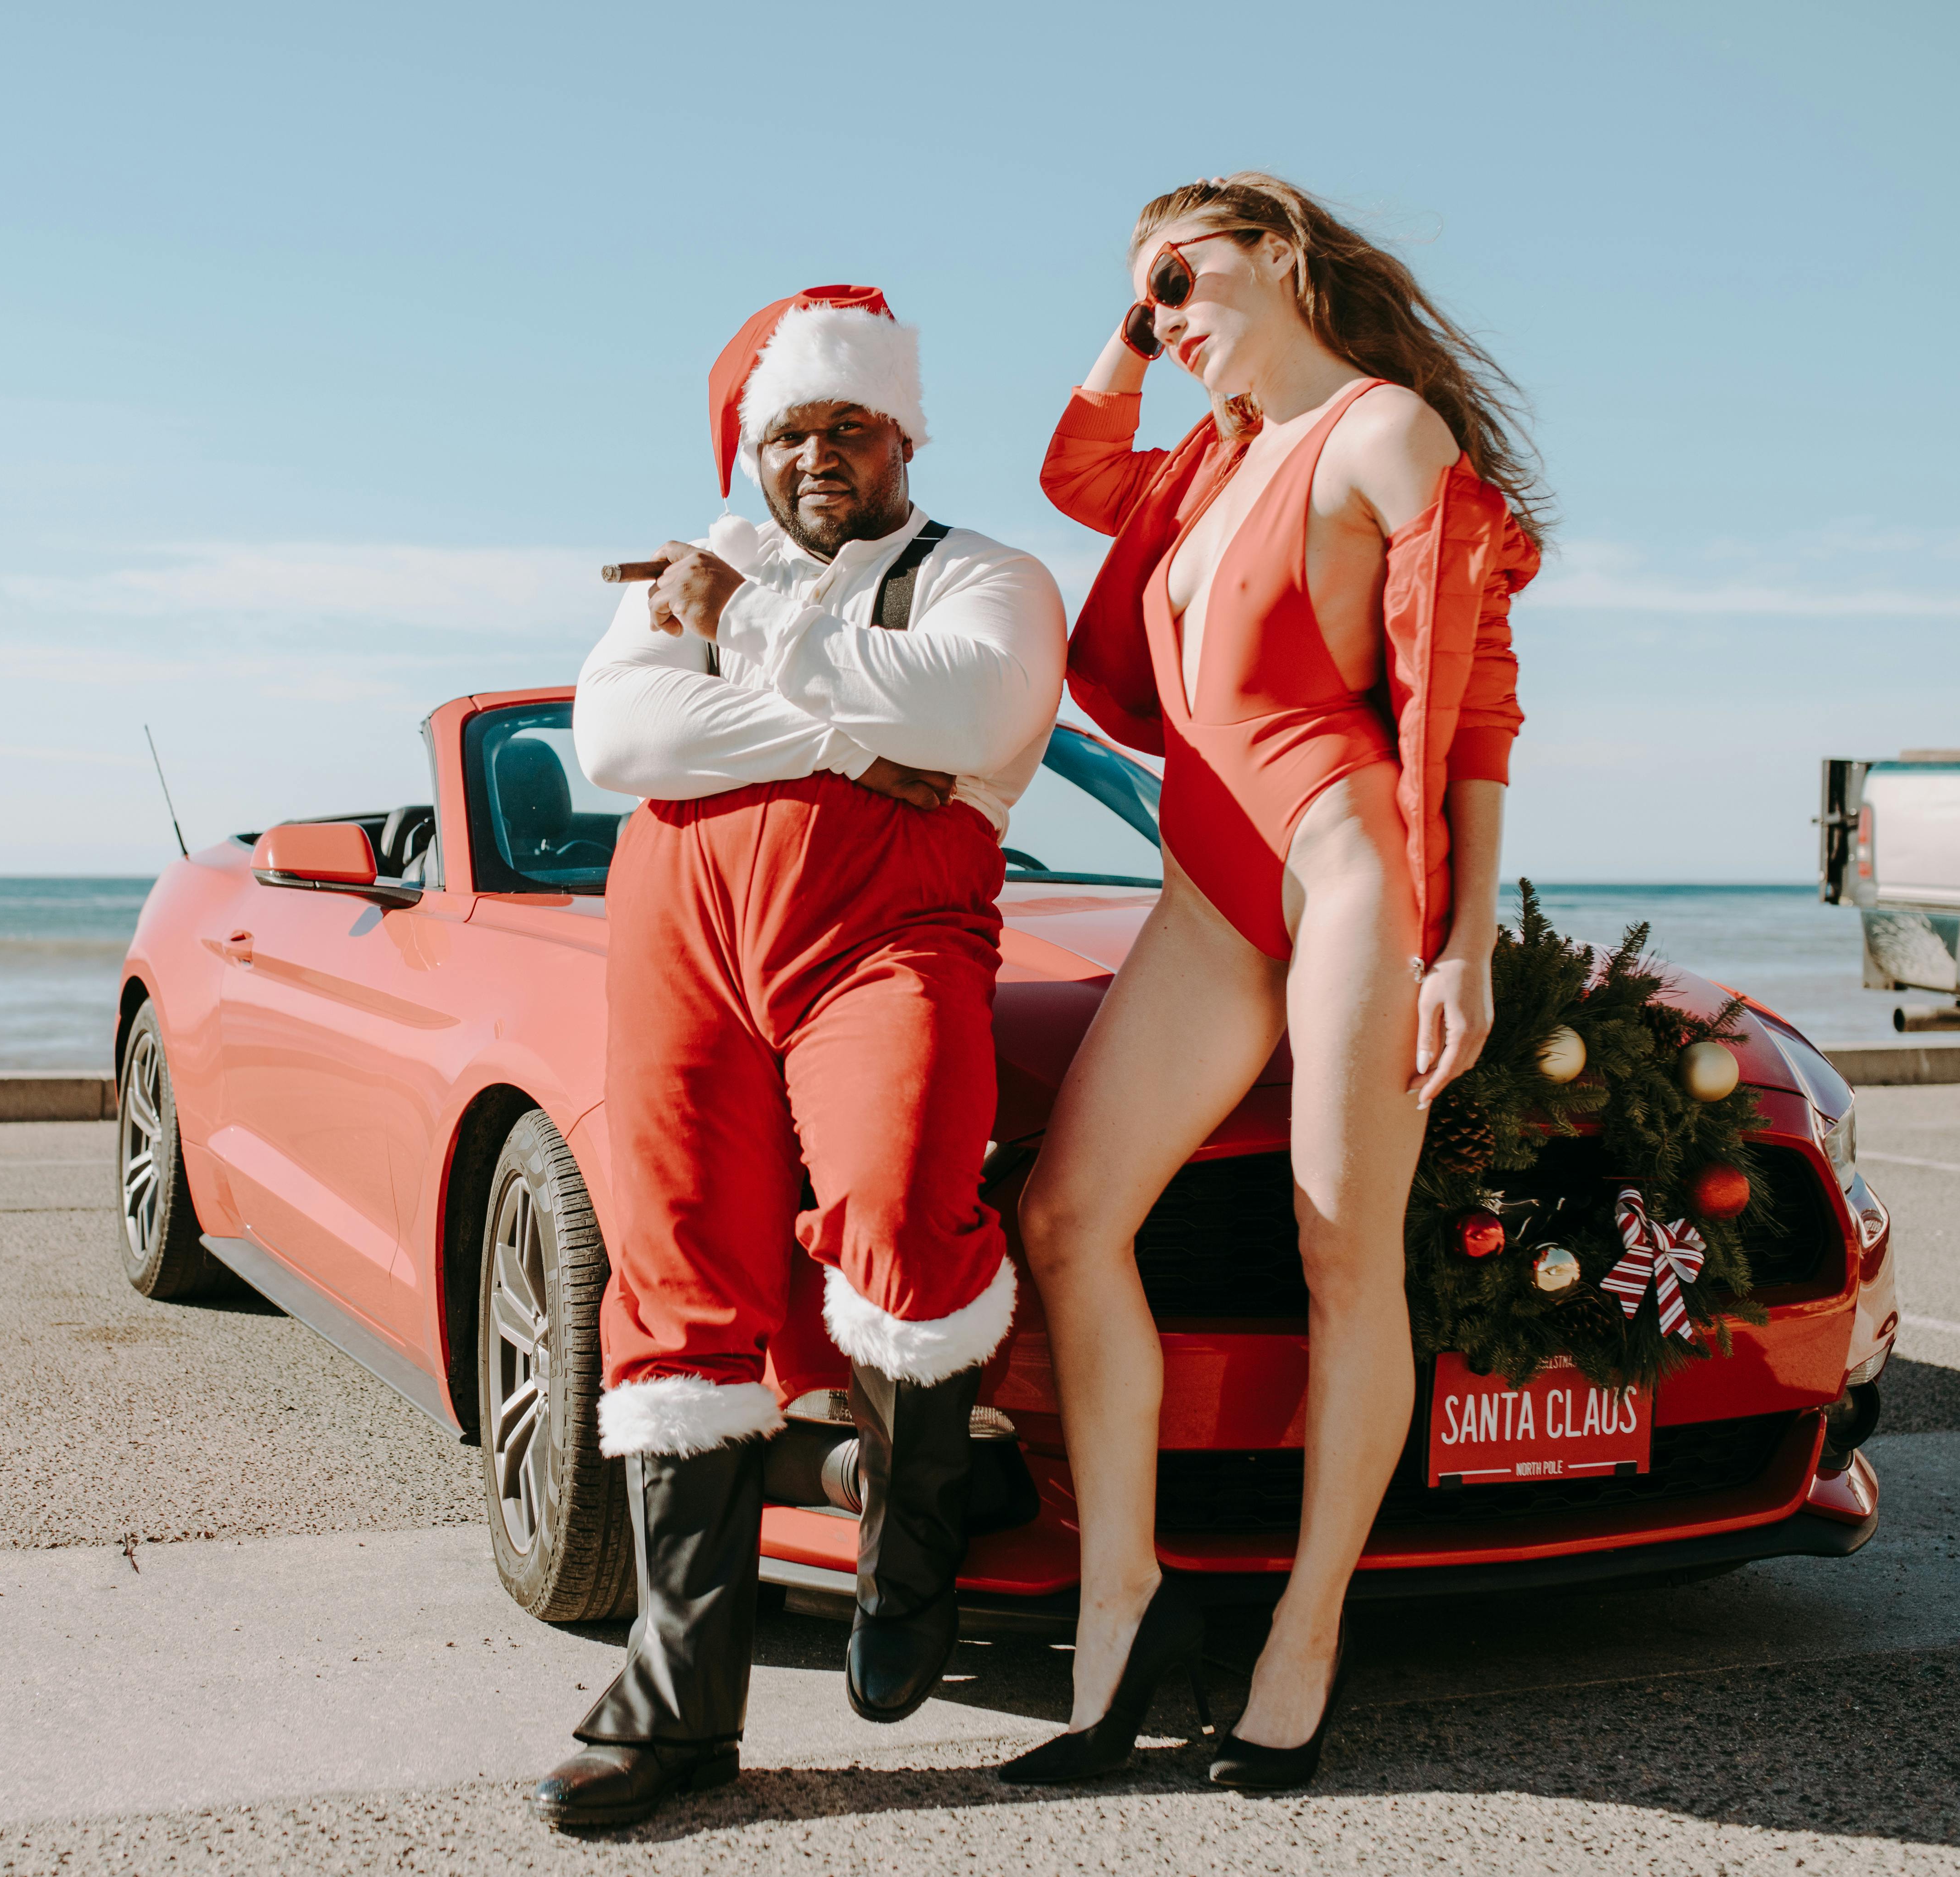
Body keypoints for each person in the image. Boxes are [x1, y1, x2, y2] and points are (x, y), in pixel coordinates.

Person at [1001, 176, 1541, 1792]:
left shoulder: (1383, 434)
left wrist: (1465, 945)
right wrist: (1133, 329)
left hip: (1347, 876)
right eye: (1144, 297)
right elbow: (1072, 471)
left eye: (1182, 275)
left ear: (1282, 258)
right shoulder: (1206, 457)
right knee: (1068, 1222)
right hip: (1206, 892)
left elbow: (1483, 702)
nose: (1164, 316)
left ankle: (1305, 1636)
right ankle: (1125, 1610)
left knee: (1337, 1255)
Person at [528, 285, 1067, 1828]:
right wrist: (859, 743)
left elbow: (979, 703)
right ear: (754, 450)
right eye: (791, 431)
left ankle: (915, 1539)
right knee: (678, 1268)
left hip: (888, 942)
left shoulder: (985, 570)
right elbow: (625, 741)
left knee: (902, 1214)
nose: (820, 453)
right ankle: (679, 1704)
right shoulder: (680, 577)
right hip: (682, 940)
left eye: (849, 425)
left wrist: (745, 641)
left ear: (903, 434)